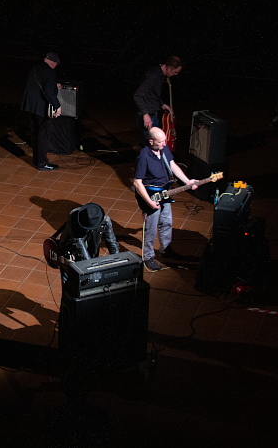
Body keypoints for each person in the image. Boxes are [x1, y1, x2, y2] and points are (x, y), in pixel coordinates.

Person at [133, 127, 196, 271]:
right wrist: (149, 202)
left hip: (164, 192)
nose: (164, 144)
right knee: (150, 229)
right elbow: (137, 182)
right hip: (151, 196)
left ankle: (165, 249)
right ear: (151, 141)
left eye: (164, 141)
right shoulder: (144, 156)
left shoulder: (163, 148)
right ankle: (148, 257)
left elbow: (172, 165)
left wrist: (187, 181)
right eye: (160, 142)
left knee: (166, 222)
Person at [57, 202, 120, 285]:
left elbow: (112, 242)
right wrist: (92, 268)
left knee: (89, 283)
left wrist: (118, 263)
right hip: (70, 251)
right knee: (69, 281)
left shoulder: (105, 220)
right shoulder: (74, 216)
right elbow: (79, 243)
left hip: (90, 252)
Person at [21, 51, 62, 170]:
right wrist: (57, 106)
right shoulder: (50, 72)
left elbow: (40, 85)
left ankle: (36, 160)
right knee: (43, 136)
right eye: (56, 65)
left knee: (34, 134)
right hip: (41, 109)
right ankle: (42, 163)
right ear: (53, 63)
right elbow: (48, 91)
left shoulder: (35, 68)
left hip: (30, 107)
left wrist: (55, 85)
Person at [133, 56, 182, 147]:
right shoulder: (153, 74)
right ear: (169, 68)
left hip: (151, 112)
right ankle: (147, 161)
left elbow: (151, 92)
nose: (176, 74)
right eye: (175, 72)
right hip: (148, 115)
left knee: (152, 144)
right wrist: (145, 114)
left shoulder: (159, 74)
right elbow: (137, 95)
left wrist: (162, 104)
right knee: (151, 145)